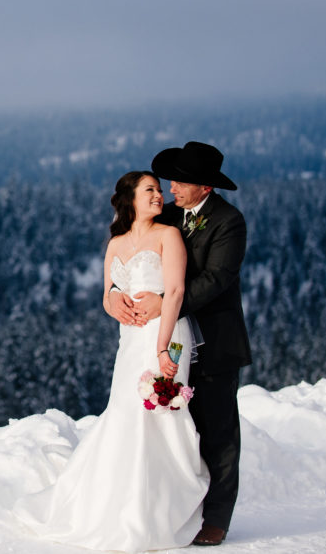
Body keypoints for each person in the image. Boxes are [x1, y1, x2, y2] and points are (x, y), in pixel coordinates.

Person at [17, 171, 209, 552]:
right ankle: (114, 504)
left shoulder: (167, 236)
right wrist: (112, 303)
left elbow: (174, 291)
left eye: (158, 190)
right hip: (131, 338)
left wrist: (160, 346)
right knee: (125, 412)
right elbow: (108, 293)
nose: (158, 195)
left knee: (158, 413)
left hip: (165, 334)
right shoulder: (116, 243)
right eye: (150, 190)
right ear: (130, 200)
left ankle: (157, 511)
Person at [108, 142, 252, 547]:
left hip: (214, 341)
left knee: (217, 430)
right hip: (164, 339)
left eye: (181, 182)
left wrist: (163, 303)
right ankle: (167, 511)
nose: (171, 188)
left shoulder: (229, 222)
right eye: (170, 180)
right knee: (166, 428)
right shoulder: (168, 216)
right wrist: (115, 292)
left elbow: (216, 279)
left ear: (205, 188)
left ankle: (216, 519)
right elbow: (138, 247)